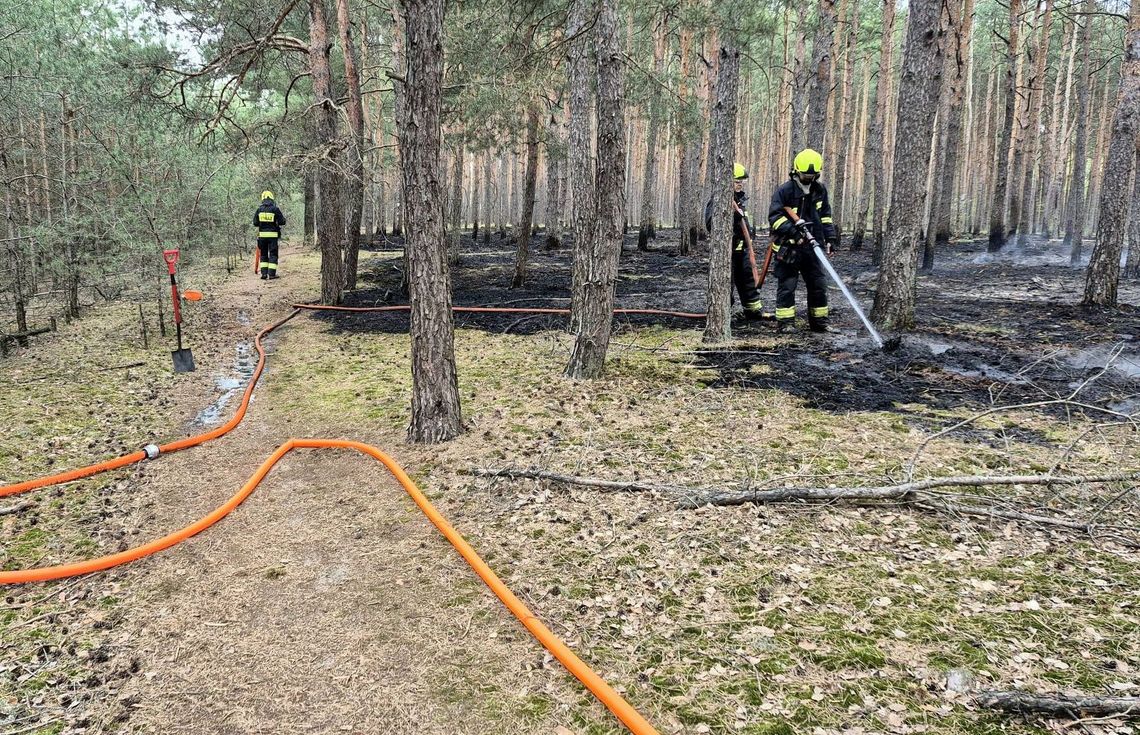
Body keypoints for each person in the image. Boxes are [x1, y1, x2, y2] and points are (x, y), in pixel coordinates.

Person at [767, 149, 839, 333]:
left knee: (818, 285)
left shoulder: (820, 190)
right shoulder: (785, 191)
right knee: (787, 286)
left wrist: (830, 237)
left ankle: (819, 323)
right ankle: (785, 324)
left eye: (812, 175)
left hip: (813, 249)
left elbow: (825, 217)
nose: (808, 178)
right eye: (805, 175)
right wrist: (794, 233)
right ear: (796, 171)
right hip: (789, 248)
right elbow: (775, 218)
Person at [705, 163, 768, 321]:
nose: (740, 184)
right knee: (726, 284)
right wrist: (733, 216)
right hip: (727, 253)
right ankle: (722, 315)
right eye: (736, 181)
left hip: (743, 251)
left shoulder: (740, 201)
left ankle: (753, 311)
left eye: (742, 181)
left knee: (748, 282)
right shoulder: (717, 201)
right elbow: (711, 224)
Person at [253, 191, 286, 280]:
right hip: (273, 236)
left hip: (262, 237)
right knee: (273, 254)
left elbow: (255, 223)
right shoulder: (275, 209)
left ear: (262, 199)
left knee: (263, 254)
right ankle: (272, 274)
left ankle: (264, 274)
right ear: (272, 198)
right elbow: (282, 222)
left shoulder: (259, 210)